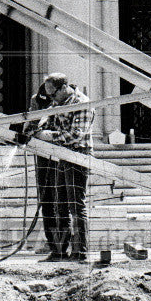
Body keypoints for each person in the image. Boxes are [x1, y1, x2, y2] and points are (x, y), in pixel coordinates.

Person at [34, 73, 94, 262]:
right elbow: (48, 118)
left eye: (53, 94)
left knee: (76, 206)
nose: (52, 99)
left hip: (78, 157)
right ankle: (59, 251)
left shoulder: (82, 103)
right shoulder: (59, 103)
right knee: (60, 206)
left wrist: (49, 136)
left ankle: (80, 251)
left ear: (64, 87)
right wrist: (39, 125)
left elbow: (76, 134)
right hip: (63, 156)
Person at [15, 81, 60, 260]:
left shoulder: (62, 103)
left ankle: (66, 244)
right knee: (46, 199)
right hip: (42, 155)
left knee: (60, 202)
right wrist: (29, 131)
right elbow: (32, 121)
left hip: (60, 155)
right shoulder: (37, 100)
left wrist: (45, 134)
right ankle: (53, 245)